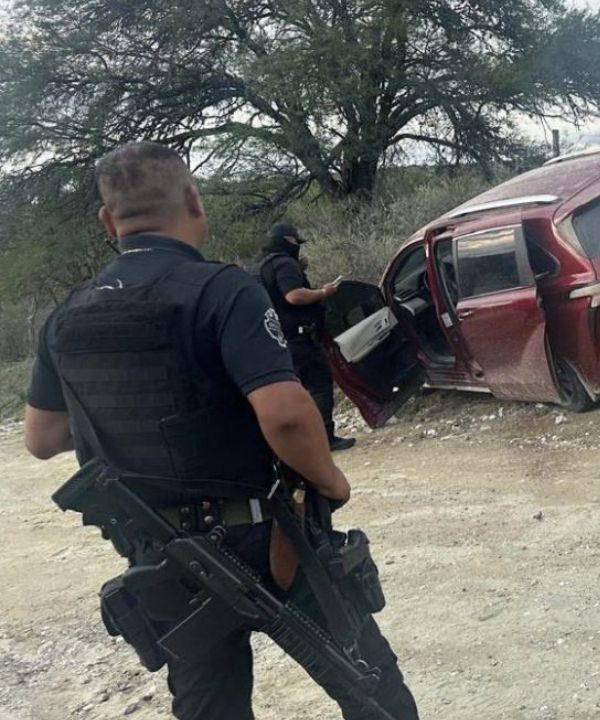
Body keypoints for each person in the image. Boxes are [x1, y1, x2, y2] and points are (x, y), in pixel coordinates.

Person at [23, 141, 419, 720]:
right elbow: (285, 413)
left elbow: (41, 438)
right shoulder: (221, 288)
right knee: (370, 689)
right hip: (269, 537)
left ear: (109, 221)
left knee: (210, 708)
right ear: (193, 200)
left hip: (166, 556)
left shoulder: (70, 313)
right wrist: (330, 481)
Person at [248, 222, 356, 452]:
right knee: (319, 385)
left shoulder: (257, 267)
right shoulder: (285, 264)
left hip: (271, 340)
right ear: (289, 241)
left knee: (290, 394)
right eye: (297, 243)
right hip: (298, 339)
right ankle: (324, 438)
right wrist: (324, 292)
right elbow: (294, 296)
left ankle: (294, 442)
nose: (299, 247)